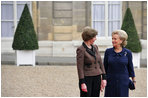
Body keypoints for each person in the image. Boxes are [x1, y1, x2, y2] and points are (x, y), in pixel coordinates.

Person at [104, 30, 136, 97]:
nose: (113, 40)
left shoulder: (128, 53)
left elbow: (130, 68)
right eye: (112, 38)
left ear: (121, 40)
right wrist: (103, 80)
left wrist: (134, 81)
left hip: (123, 82)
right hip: (110, 82)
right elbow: (104, 68)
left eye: (115, 39)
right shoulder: (108, 52)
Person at [76, 26, 107, 97]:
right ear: (89, 38)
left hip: (97, 77)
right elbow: (79, 67)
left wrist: (104, 77)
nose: (96, 39)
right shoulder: (81, 49)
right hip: (87, 78)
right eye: (94, 37)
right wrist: (82, 82)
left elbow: (100, 63)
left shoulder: (95, 47)